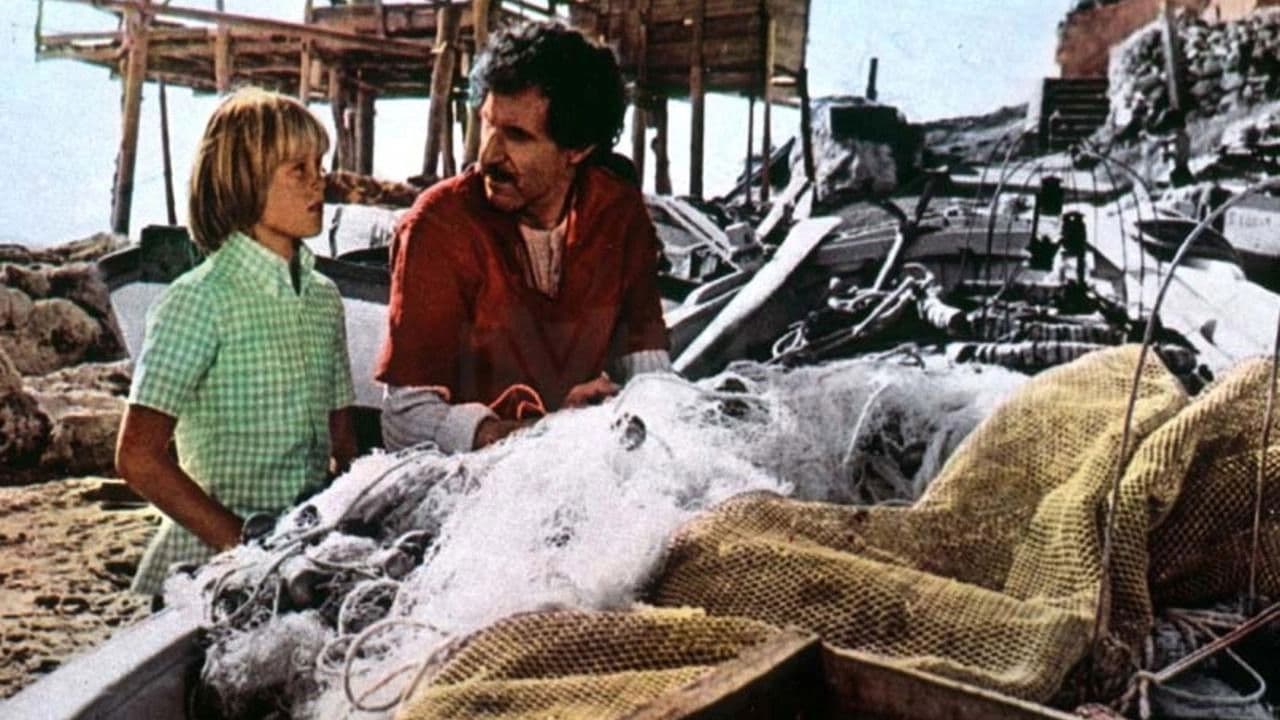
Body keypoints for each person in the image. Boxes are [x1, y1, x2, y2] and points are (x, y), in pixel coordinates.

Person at [376, 22, 671, 453]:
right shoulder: (439, 225)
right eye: (486, 124)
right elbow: (404, 421)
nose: (488, 155)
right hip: (469, 478)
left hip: (588, 461)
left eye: (517, 136)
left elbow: (650, 375)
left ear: (577, 150)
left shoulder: (618, 212)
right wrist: (546, 433)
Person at [116, 88, 358, 597]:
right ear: (244, 180)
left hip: (302, 558)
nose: (319, 181)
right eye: (298, 169)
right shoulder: (199, 300)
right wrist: (245, 546)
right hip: (208, 567)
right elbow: (138, 456)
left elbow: (343, 444)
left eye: (320, 165)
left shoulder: (323, 299)